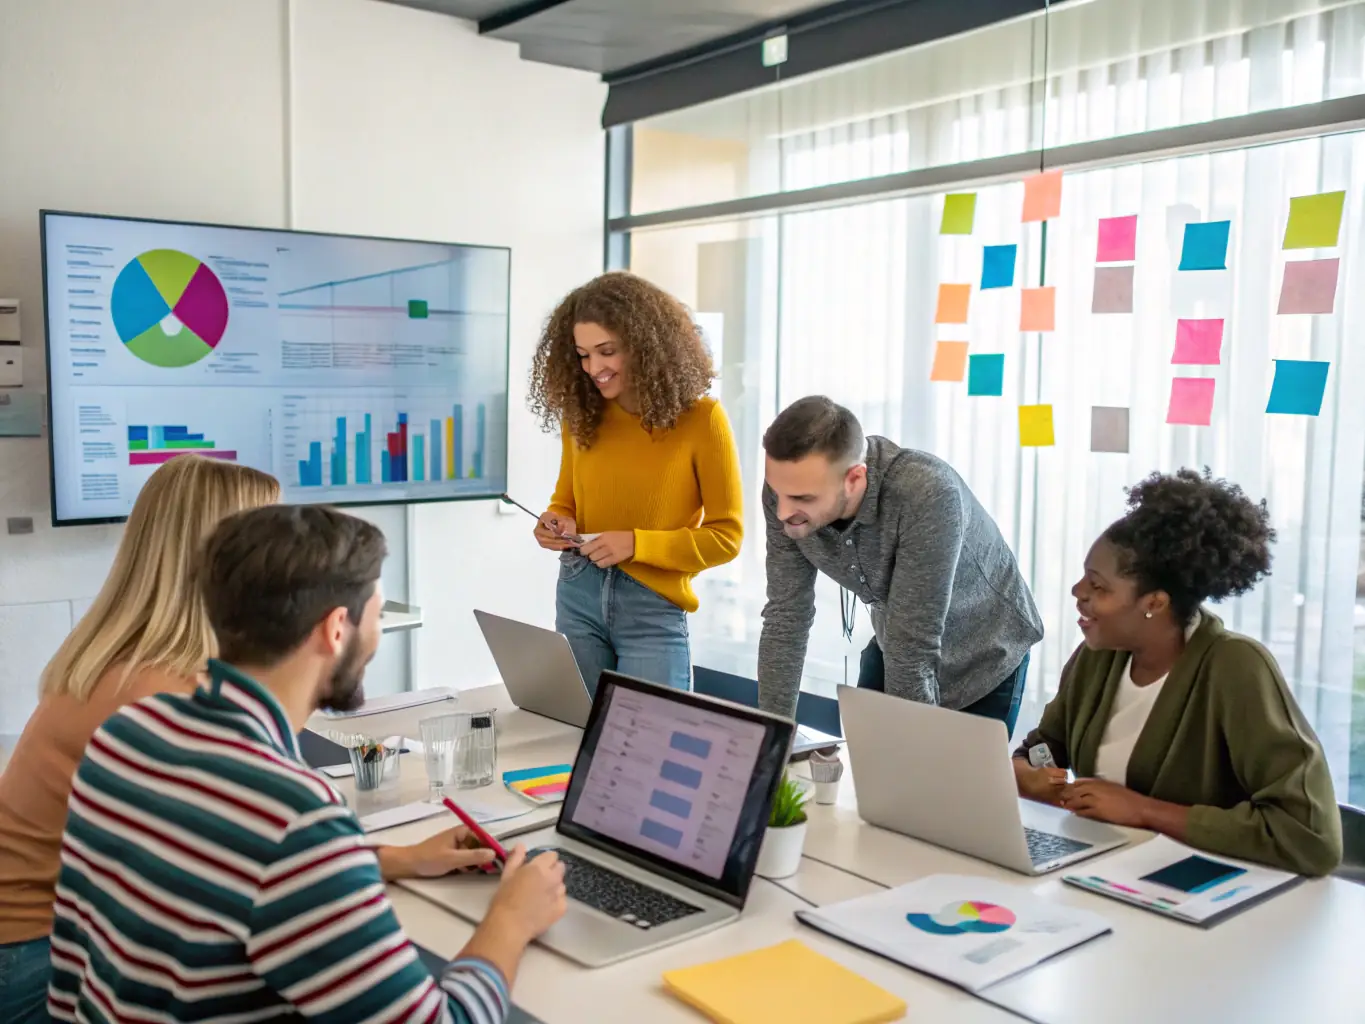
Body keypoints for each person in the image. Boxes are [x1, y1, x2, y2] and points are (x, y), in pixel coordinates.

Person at [47, 504, 568, 1022]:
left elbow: (76, 963)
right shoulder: (295, 816)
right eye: (378, 615)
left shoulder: (125, 735)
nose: (378, 635)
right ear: (336, 628)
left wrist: (383, 859)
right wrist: (510, 920)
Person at [0, 455, 280, 1024]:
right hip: (39, 959)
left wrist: (398, 859)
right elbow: (248, 859)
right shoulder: (162, 692)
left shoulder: (119, 660)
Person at [1013, 468, 1342, 876]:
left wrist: (1146, 811)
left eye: (1098, 587)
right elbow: (1046, 747)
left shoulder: (1236, 668)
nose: (1078, 593)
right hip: (1112, 871)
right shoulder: (1098, 656)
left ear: (1155, 603)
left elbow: (1310, 836)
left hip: (1207, 885)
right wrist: (1024, 772)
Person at [758, 396, 1043, 732]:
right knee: (872, 772)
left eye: (803, 499)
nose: (782, 512)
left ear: (854, 478)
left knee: (942, 782)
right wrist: (770, 740)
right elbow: (785, 617)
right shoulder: (787, 491)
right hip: (897, 641)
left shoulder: (926, 494)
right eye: (779, 493)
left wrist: (913, 762)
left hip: (984, 654)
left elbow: (914, 652)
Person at [528, 271, 743, 694]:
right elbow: (566, 501)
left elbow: (726, 537)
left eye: (607, 352)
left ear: (645, 346)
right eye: (583, 355)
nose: (594, 369)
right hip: (579, 593)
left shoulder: (702, 420)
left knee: (650, 747)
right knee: (573, 738)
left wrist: (638, 544)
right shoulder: (582, 416)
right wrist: (556, 522)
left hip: (652, 610)